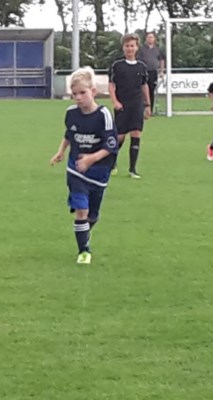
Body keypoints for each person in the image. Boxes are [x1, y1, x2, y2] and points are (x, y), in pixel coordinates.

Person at [50, 67, 119, 265]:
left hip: (99, 172)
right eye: (74, 94)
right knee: (82, 209)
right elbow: (69, 134)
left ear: (93, 91)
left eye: (82, 92)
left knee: (92, 216)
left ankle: (84, 234)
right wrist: (60, 151)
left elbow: (111, 145)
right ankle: (84, 251)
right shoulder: (71, 113)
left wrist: (91, 159)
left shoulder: (103, 115)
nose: (78, 98)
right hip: (76, 170)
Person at [108, 34, 151, 179]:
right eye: (127, 46)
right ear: (123, 48)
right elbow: (111, 85)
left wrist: (147, 105)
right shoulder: (117, 65)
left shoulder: (141, 66)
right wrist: (115, 101)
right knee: (119, 136)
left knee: (136, 133)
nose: (130, 48)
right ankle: (112, 162)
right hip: (122, 104)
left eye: (132, 46)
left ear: (137, 47)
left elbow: (144, 86)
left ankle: (133, 169)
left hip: (137, 104)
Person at [137, 31, 165, 115]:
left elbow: (161, 60)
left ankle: (150, 110)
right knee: (142, 91)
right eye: (148, 37)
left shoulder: (158, 49)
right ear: (146, 39)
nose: (150, 39)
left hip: (153, 72)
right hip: (143, 72)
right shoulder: (141, 49)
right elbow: (138, 60)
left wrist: (161, 71)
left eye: (151, 37)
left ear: (154, 39)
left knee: (151, 90)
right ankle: (141, 109)